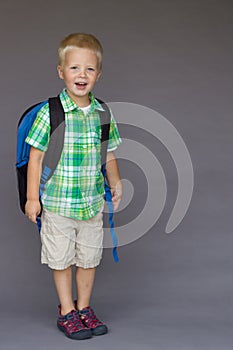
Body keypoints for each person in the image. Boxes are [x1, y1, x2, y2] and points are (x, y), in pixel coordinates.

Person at [25, 33, 122, 340]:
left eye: (89, 69)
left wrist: (116, 181)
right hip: (57, 203)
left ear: (99, 74)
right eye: (75, 68)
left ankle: (84, 308)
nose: (82, 75)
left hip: (91, 202)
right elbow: (36, 159)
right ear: (60, 71)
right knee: (62, 259)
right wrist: (32, 198)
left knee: (89, 259)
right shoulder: (50, 113)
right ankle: (66, 310)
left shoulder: (103, 113)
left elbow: (109, 154)